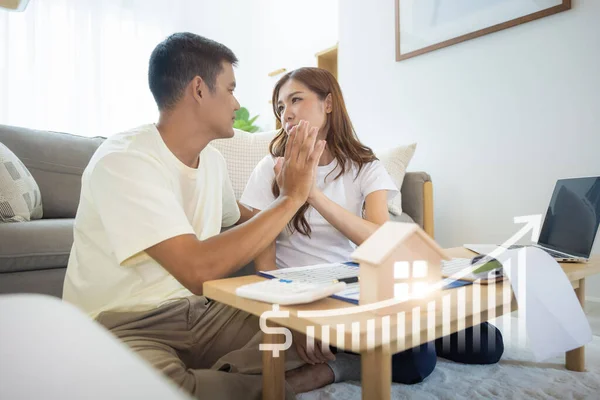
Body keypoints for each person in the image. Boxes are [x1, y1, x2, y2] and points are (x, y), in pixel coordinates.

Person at [62, 33, 329, 400]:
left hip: (202, 315)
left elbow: (242, 219)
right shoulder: (124, 161)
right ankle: (272, 384)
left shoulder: (213, 161)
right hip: (123, 324)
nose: (237, 102)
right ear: (199, 90)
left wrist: (297, 209)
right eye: (231, 88)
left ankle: (232, 382)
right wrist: (290, 198)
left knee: (304, 328)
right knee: (160, 389)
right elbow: (197, 271)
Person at [241, 67, 504, 388]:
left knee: (488, 344)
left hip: (360, 288)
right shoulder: (270, 167)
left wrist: (312, 194)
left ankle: (394, 341)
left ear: (328, 103)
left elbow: (380, 240)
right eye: (280, 107)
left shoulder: (363, 164)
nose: (288, 113)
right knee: (417, 360)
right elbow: (262, 257)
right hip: (307, 295)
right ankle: (345, 365)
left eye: (296, 99)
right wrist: (288, 321)